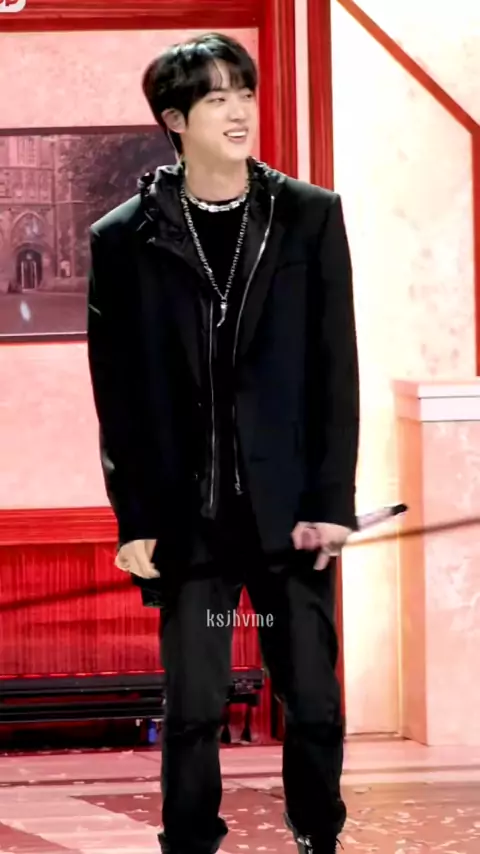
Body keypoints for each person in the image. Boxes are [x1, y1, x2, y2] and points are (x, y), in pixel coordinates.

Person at [87, 33, 359, 854]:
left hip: (290, 516)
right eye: (215, 98)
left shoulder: (309, 216)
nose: (239, 111)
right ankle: (189, 842)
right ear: (175, 119)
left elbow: (335, 370)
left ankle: (319, 835)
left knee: (312, 700)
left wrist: (332, 503)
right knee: (196, 706)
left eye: (244, 93)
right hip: (190, 520)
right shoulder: (123, 238)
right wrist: (135, 517)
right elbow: (118, 396)